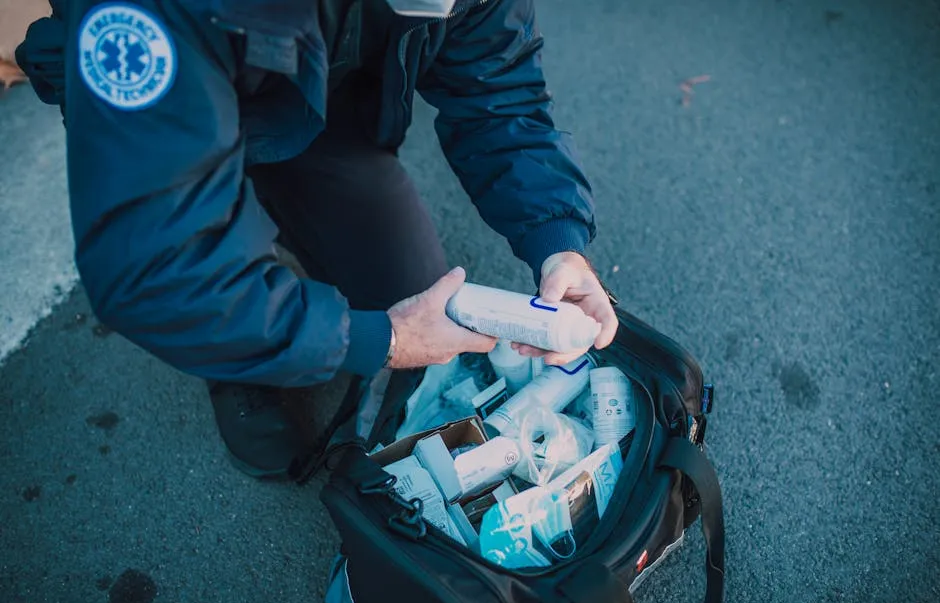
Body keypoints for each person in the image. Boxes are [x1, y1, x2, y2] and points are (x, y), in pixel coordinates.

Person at [16, 0, 618, 480]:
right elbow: (155, 268)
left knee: (409, 290)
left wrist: (556, 238)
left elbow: (499, 88)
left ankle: (270, 292)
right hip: (177, 112)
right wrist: (383, 339)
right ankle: (236, 359)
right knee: (215, 280)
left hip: (314, 102)